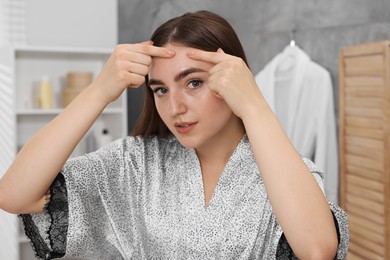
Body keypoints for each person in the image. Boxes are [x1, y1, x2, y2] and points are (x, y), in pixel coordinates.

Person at [0, 10, 348, 259]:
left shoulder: (284, 175)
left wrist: (254, 105)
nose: (175, 107)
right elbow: (15, 194)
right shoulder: (134, 164)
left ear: (233, 79)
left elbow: (318, 250)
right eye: (160, 89)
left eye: (193, 82)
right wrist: (100, 91)